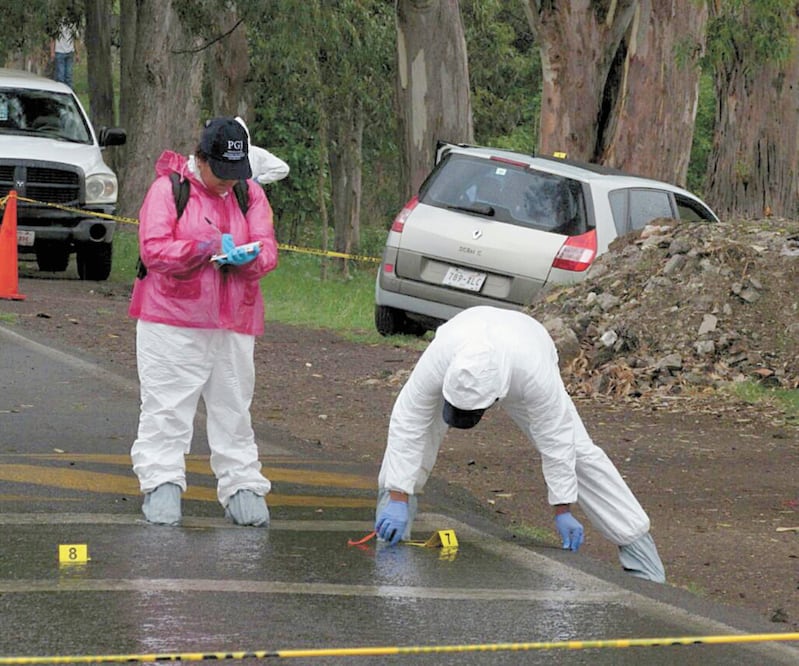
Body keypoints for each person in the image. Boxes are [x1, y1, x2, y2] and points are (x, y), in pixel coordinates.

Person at [374, 306, 666, 583]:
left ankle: (641, 558)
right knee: (415, 435)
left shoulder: (534, 375)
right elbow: (408, 421)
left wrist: (562, 508)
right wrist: (398, 496)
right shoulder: (442, 357)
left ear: (495, 397)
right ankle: (391, 532)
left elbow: (558, 440)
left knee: (579, 453)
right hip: (466, 331)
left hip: (528, 344)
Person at [129, 117, 279, 527]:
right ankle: (161, 483)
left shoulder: (250, 194)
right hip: (173, 320)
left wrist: (249, 259)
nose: (228, 183)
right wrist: (201, 248)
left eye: (236, 173)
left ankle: (242, 485)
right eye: (221, 172)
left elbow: (268, 248)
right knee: (167, 406)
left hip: (235, 319)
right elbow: (154, 249)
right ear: (200, 159)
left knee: (234, 407)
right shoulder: (168, 190)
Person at [234, 116, 290, 185]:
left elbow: (282, 169)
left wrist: (258, 180)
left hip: (248, 192)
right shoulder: (224, 153)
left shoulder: (256, 153)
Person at [51, 23, 77, 88]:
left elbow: (75, 39)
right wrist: (52, 52)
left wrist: (77, 53)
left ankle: (69, 92)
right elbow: (52, 39)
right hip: (59, 51)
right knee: (60, 76)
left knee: (69, 75)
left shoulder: (72, 24)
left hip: (70, 52)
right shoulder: (57, 24)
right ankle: (60, 92)